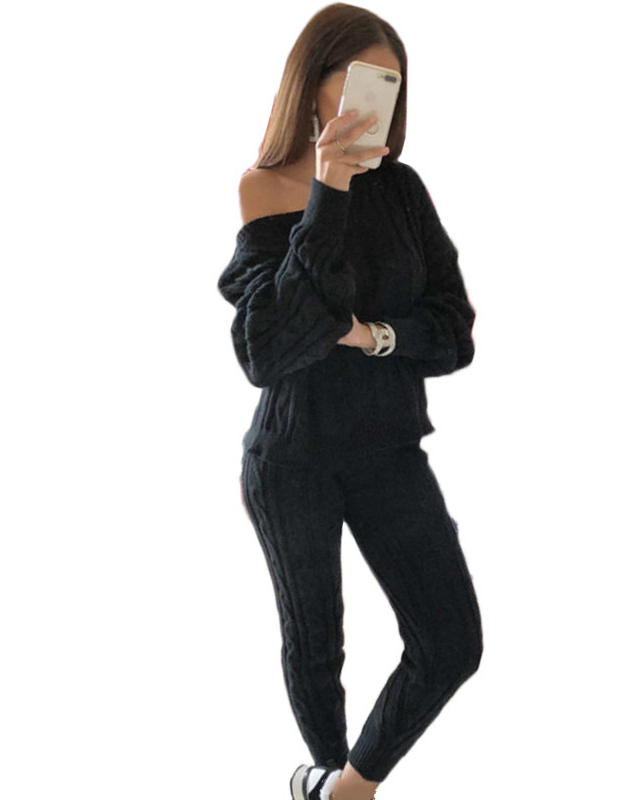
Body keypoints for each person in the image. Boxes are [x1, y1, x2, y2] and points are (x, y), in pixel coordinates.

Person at [217, 4, 483, 799]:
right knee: (316, 645)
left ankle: (342, 789)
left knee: (451, 641)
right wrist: (328, 187)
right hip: (291, 459)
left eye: (391, 84)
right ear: (314, 82)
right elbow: (271, 350)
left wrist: (371, 336)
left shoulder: (403, 191)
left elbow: (454, 331)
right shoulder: (265, 188)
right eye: (361, 78)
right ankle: (330, 772)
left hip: (389, 449)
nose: (377, 98)